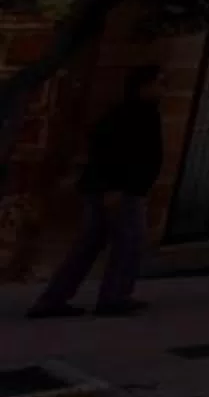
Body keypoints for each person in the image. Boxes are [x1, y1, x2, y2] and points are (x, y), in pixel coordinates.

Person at [28, 66, 163, 319]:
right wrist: (113, 188)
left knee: (91, 244)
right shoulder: (129, 114)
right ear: (143, 86)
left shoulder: (140, 113)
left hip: (119, 189)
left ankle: (54, 299)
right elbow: (110, 152)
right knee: (127, 243)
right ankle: (113, 298)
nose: (162, 89)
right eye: (159, 83)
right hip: (120, 191)